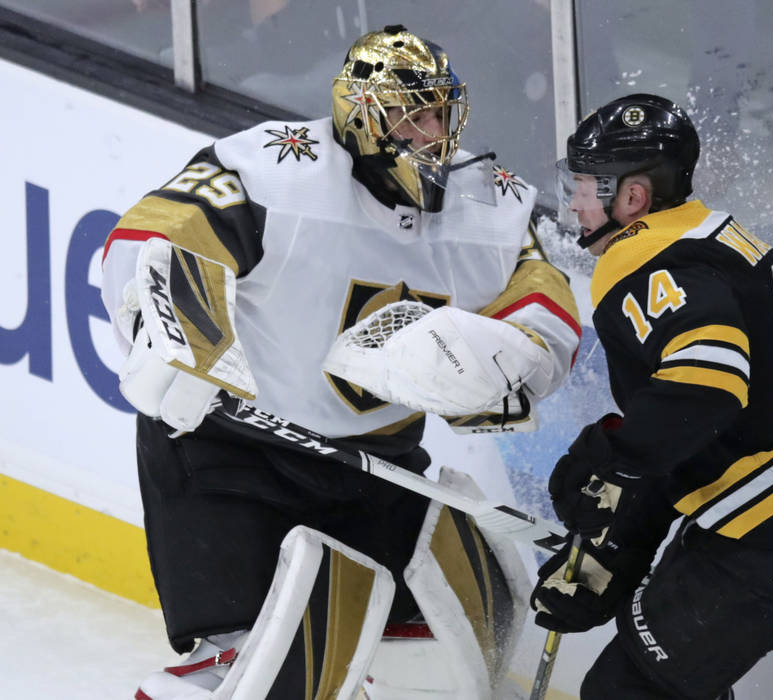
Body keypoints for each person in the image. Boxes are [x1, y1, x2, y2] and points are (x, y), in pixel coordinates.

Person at [100, 25, 581, 699]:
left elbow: (548, 308)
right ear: (360, 114)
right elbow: (150, 238)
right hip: (232, 454)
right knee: (252, 671)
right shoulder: (271, 170)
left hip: (381, 469)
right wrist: (173, 340)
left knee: (434, 667)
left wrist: (506, 359)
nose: (430, 131)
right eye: (409, 115)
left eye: (439, 113)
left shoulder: (490, 205)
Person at [530, 93, 773, 699]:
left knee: (631, 690)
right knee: (670, 677)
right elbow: (693, 427)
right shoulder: (702, 232)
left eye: (585, 184)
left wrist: (609, 456)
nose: (574, 201)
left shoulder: (642, 261)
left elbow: (706, 388)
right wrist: (622, 551)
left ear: (631, 198)